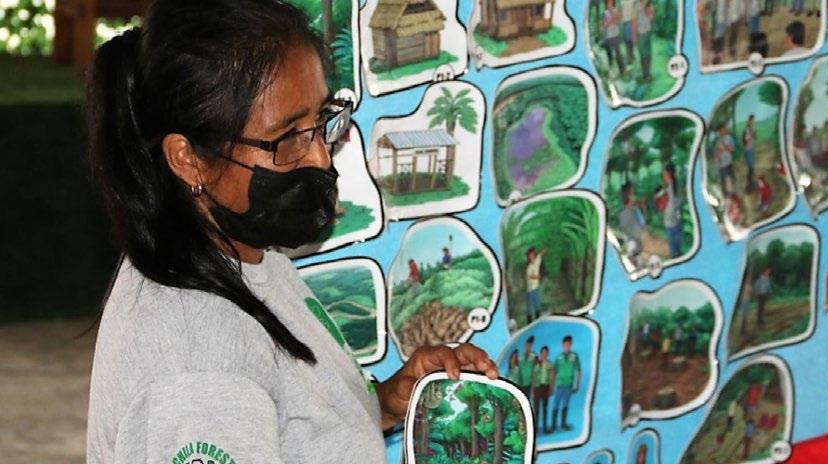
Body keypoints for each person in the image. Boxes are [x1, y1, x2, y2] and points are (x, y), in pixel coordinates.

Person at [83, 1, 498, 462]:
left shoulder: (239, 256)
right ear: (188, 159)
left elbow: (288, 423)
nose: (320, 156)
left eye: (321, 120)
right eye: (288, 138)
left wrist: (381, 405)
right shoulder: (198, 367)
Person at [551, 336, 582, 432]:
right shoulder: (559, 357)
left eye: (569, 344)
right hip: (559, 385)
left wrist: (577, 384)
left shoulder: (574, 356)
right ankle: (553, 425)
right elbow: (554, 371)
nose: (567, 346)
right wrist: (552, 386)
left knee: (565, 404)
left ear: (571, 345)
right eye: (565, 344)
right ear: (562, 345)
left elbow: (578, 370)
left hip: (569, 384)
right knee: (556, 404)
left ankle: (563, 424)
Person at [656, 163, 683, 258]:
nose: (664, 177)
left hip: (670, 222)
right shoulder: (674, 187)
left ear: (669, 175)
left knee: (674, 250)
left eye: (665, 175)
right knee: (677, 247)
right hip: (676, 221)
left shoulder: (669, 189)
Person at [532, 346, 555, 434]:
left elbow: (552, 377)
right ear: (540, 353)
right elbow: (533, 376)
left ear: (547, 354)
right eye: (543, 353)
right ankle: (536, 428)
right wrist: (533, 390)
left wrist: (551, 388)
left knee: (545, 408)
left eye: (546, 353)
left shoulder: (550, 364)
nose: (544, 354)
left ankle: (545, 428)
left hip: (545, 387)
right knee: (536, 409)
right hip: (537, 388)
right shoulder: (536, 364)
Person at [619, 182, 647, 252]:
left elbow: (643, 224)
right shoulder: (625, 214)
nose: (635, 195)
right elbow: (639, 233)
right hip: (634, 249)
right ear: (628, 196)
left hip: (641, 246)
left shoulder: (635, 209)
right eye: (633, 193)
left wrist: (643, 208)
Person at [603, 0, 626, 77]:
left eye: (611, 2)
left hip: (615, 35)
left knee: (618, 54)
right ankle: (611, 72)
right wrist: (611, 20)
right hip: (608, 36)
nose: (610, 3)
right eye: (608, 2)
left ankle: (622, 71)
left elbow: (618, 21)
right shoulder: (605, 13)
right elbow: (605, 25)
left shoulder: (615, 10)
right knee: (610, 55)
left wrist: (613, 15)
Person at [525, 247, 547, 324]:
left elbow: (541, 254)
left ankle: (538, 321)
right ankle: (529, 322)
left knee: (537, 305)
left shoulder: (537, 260)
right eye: (530, 255)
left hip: (536, 288)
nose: (532, 257)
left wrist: (545, 250)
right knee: (530, 308)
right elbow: (531, 276)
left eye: (533, 255)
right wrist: (540, 276)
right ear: (528, 257)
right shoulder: (529, 267)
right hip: (530, 290)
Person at [714, 124, 737, 195]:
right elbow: (716, 152)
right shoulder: (718, 141)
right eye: (720, 131)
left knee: (730, 179)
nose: (721, 132)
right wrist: (717, 155)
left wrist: (724, 147)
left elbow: (732, 149)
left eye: (723, 130)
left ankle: (731, 194)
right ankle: (728, 194)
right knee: (724, 181)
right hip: (722, 164)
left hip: (728, 162)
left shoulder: (729, 138)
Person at [637, 0, 654, 82]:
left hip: (647, 31)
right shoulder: (636, 5)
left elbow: (651, 17)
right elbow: (634, 20)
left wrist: (648, 9)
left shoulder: (649, 4)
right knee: (643, 54)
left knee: (648, 54)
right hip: (640, 33)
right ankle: (645, 74)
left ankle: (648, 73)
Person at [742, 114, 758, 191]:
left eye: (753, 121)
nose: (752, 122)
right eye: (751, 120)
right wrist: (749, 136)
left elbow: (755, 138)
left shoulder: (752, 129)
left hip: (752, 149)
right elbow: (744, 141)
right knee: (750, 168)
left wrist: (754, 134)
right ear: (748, 121)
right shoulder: (746, 130)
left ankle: (751, 185)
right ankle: (749, 185)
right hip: (748, 150)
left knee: (751, 168)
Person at [620, 0, 638, 65]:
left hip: (631, 21)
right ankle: (630, 56)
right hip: (625, 22)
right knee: (627, 41)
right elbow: (621, 12)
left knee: (629, 41)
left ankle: (629, 58)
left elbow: (635, 10)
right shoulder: (622, 1)